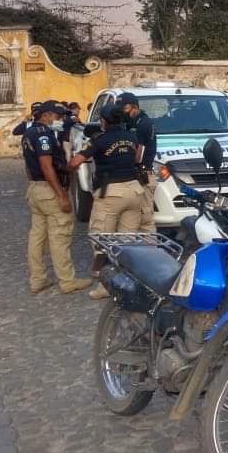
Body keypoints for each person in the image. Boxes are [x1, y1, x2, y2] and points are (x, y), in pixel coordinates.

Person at [69, 103, 145, 300]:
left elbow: (76, 162)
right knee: (127, 242)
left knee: (101, 240)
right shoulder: (131, 137)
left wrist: (69, 165)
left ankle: (106, 286)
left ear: (104, 120)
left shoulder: (99, 140)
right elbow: (138, 158)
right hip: (134, 191)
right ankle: (128, 283)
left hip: (111, 193)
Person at [22, 100, 92, 295]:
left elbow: (29, 166)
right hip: (49, 190)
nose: (60, 120)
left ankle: (37, 279)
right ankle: (67, 281)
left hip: (36, 190)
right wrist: (62, 195)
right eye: (58, 117)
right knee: (60, 236)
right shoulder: (43, 135)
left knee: (37, 237)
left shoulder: (29, 133)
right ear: (46, 115)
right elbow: (46, 166)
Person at [116, 92, 158, 233]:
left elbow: (138, 156)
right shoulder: (130, 122)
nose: (122, 112)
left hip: (143, 174)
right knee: (132, 217)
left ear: (134, 107)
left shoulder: (142, 124)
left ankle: (150, 251)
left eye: (124, 108)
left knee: (145, 218)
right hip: (136, 175)